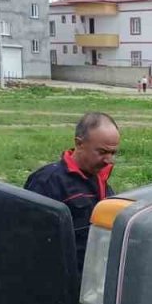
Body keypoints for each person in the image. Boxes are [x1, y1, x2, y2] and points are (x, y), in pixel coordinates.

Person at [24, 112, 120, 271]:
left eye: (113, 153)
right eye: (102, 152)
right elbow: (30, 240)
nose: (109, 160)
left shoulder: (100, 179)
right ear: (79, 143)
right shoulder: (48, 182)